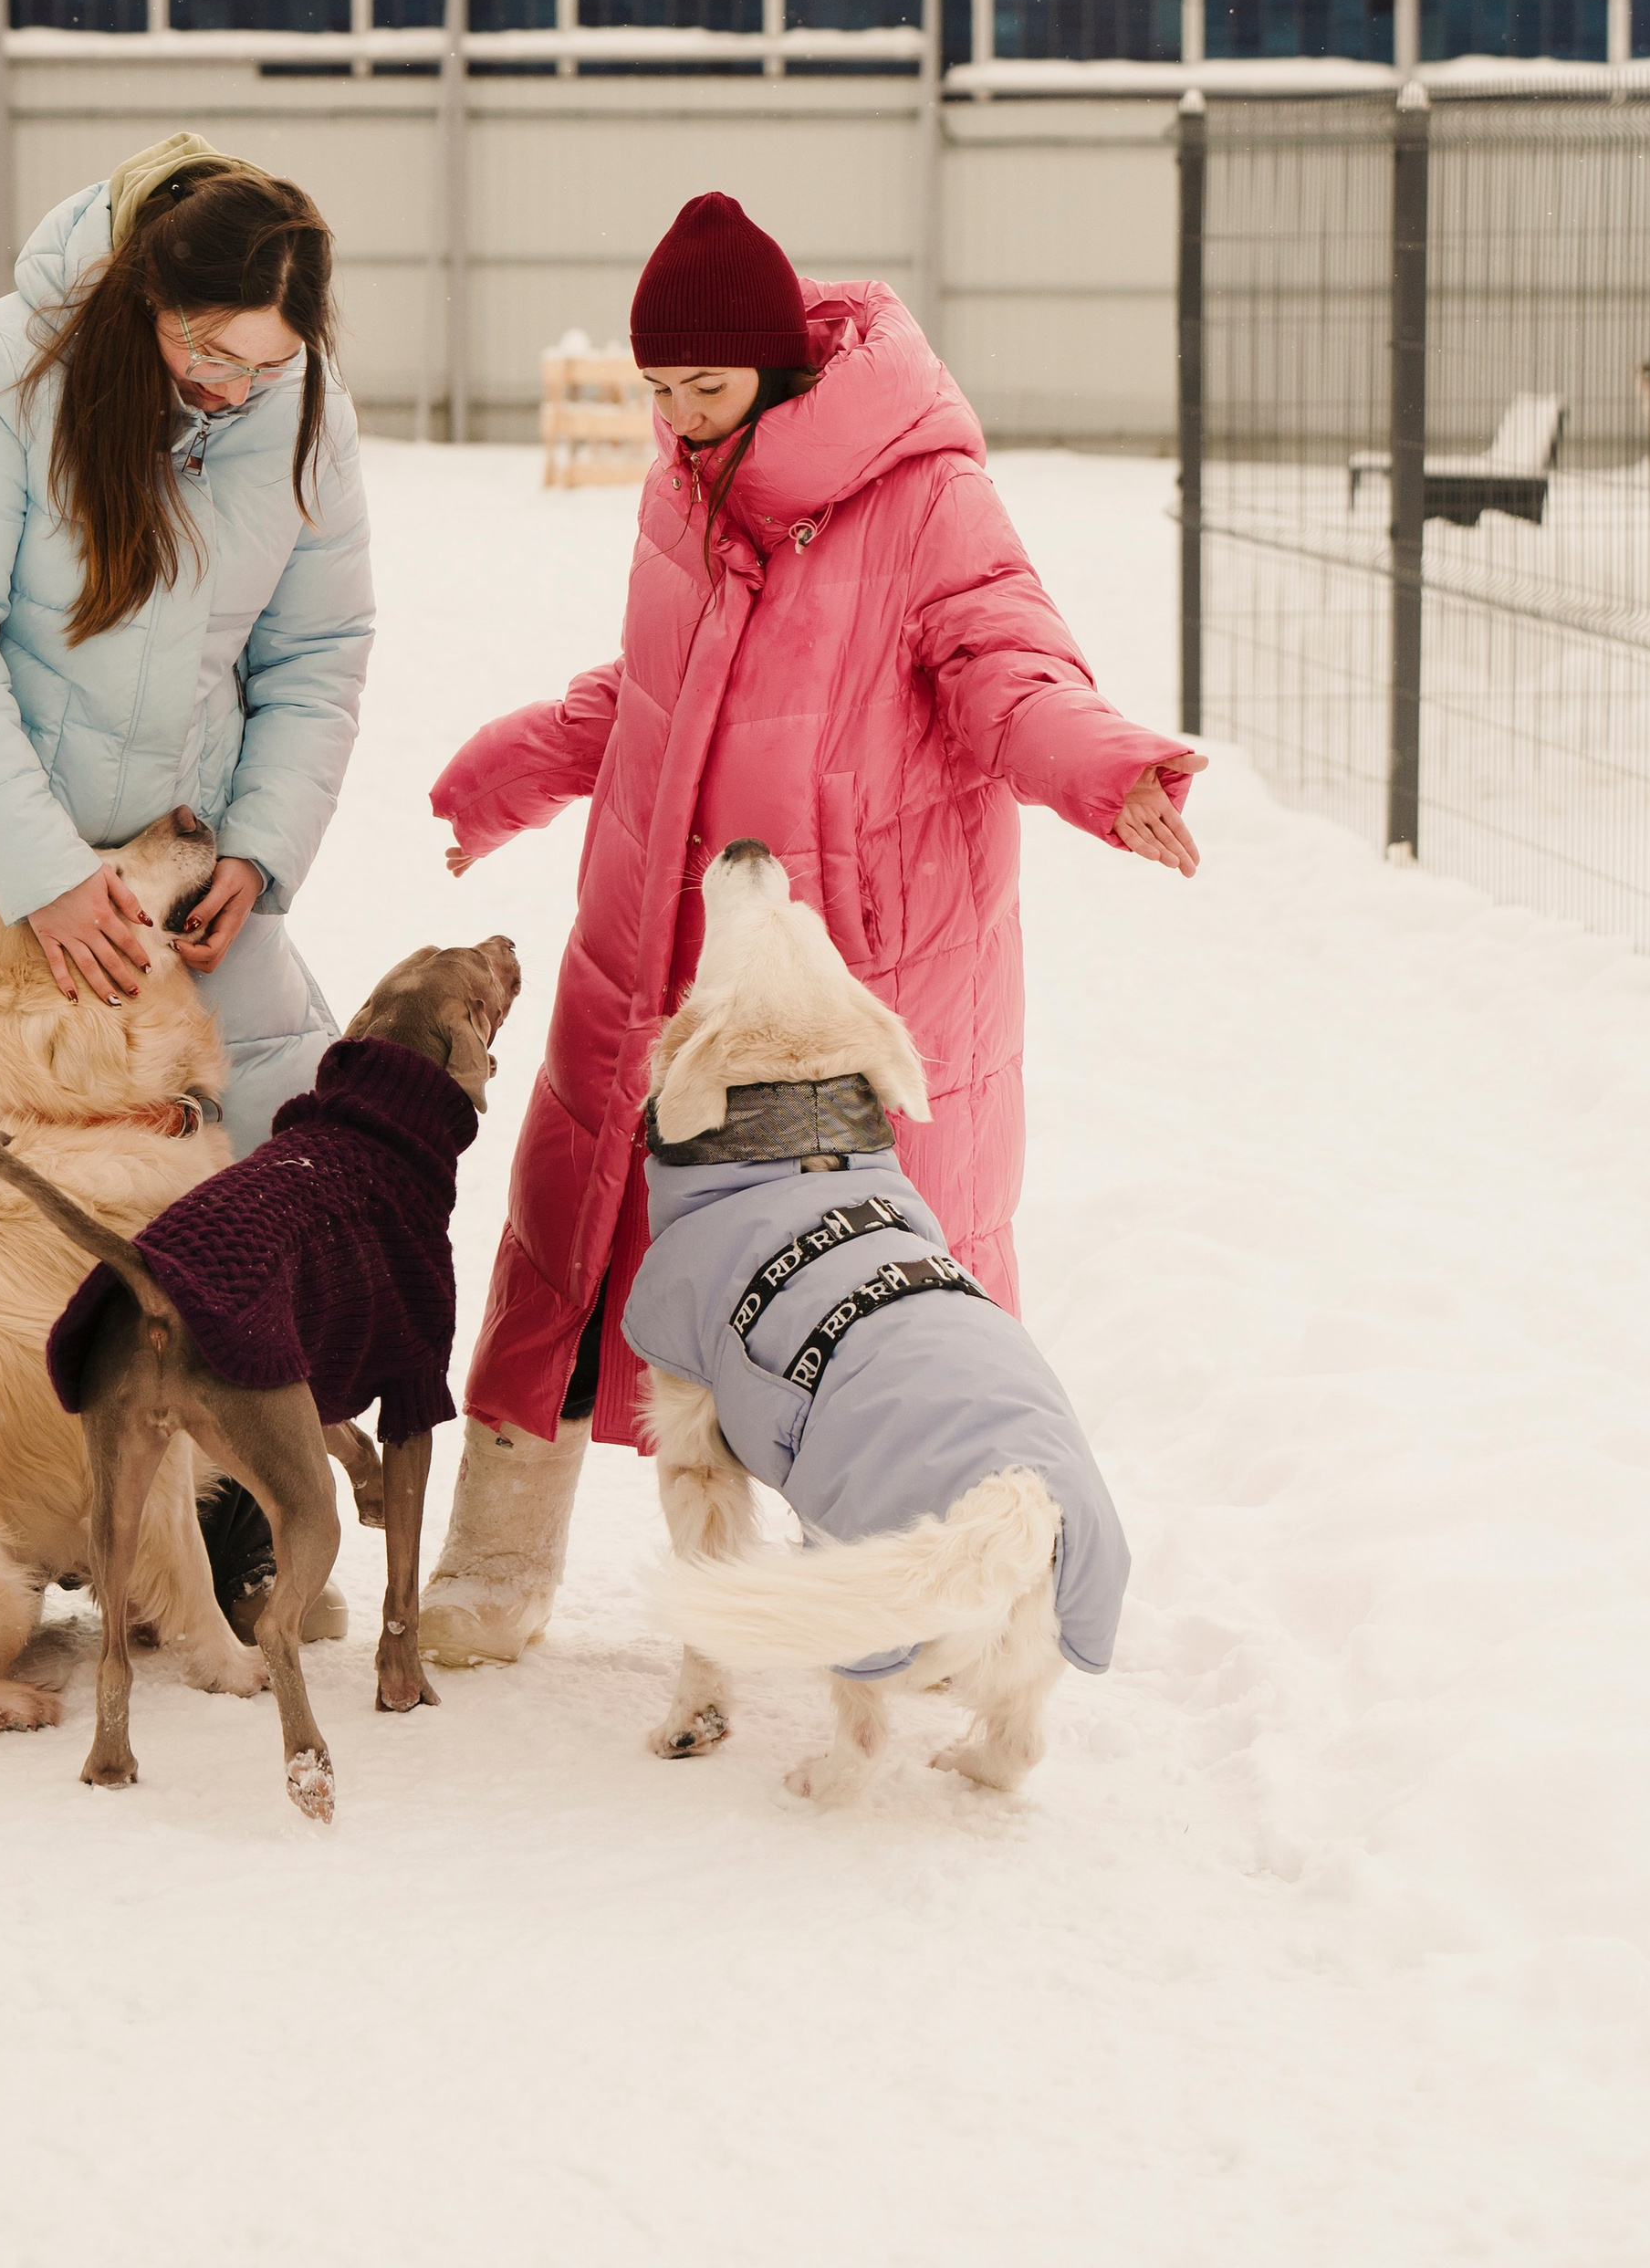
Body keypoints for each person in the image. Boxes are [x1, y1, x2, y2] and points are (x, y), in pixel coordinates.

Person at [417, 188, 1201, 1663]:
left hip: (849, 975)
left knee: (859, 1288)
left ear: (780, 368)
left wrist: (1107, 768)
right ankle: (495, 1562)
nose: (679, 418)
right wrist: (516, 766)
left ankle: (925, 1578)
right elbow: (650, 687)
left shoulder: (922, 494)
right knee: (576, 1248)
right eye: (656, 393)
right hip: (659, 949)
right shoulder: (689, 484)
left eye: (702, 388)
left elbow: (1007, 668)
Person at [0, 131, 373, 1235]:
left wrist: (257, 849)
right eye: (207, 349)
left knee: (247, 1172)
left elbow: (317, 652)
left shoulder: (300, 406)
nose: (232, 385)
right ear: (144, 291)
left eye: (266, 363)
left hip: (174, 840)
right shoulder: (5, 368)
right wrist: (41, 872)